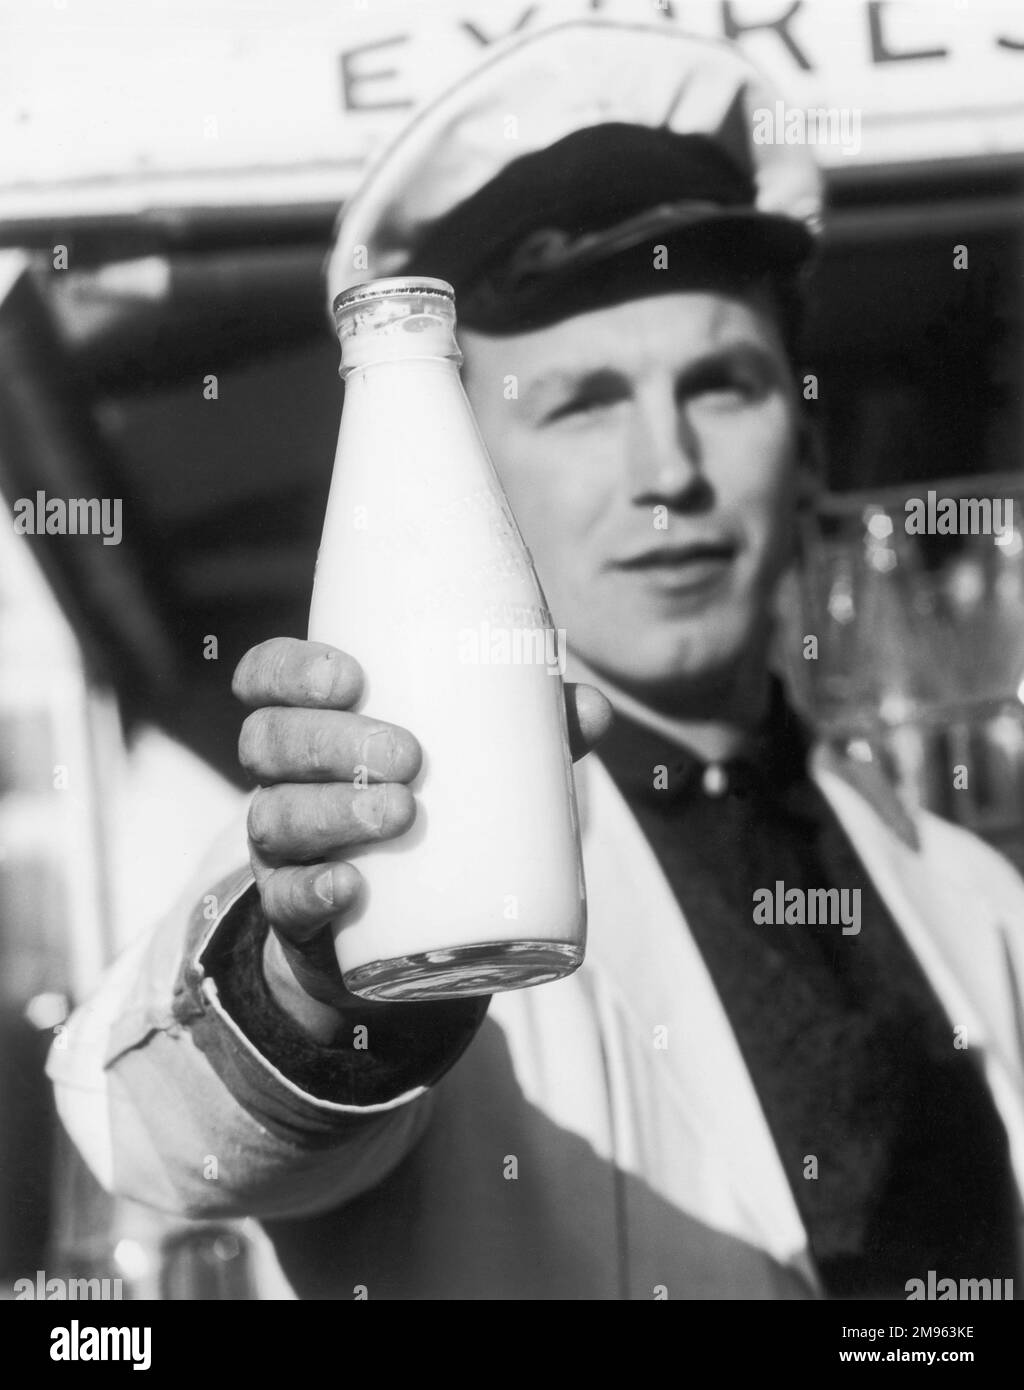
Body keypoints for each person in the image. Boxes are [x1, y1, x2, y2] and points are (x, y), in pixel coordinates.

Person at [49, 19, 1024, 1301]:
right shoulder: (403, 845)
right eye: (583, 402)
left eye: (721, 385)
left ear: (812, 454)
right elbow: (154, 1128)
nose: (667, 473)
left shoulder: (973, 899)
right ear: (468, 485)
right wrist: (319, 986)